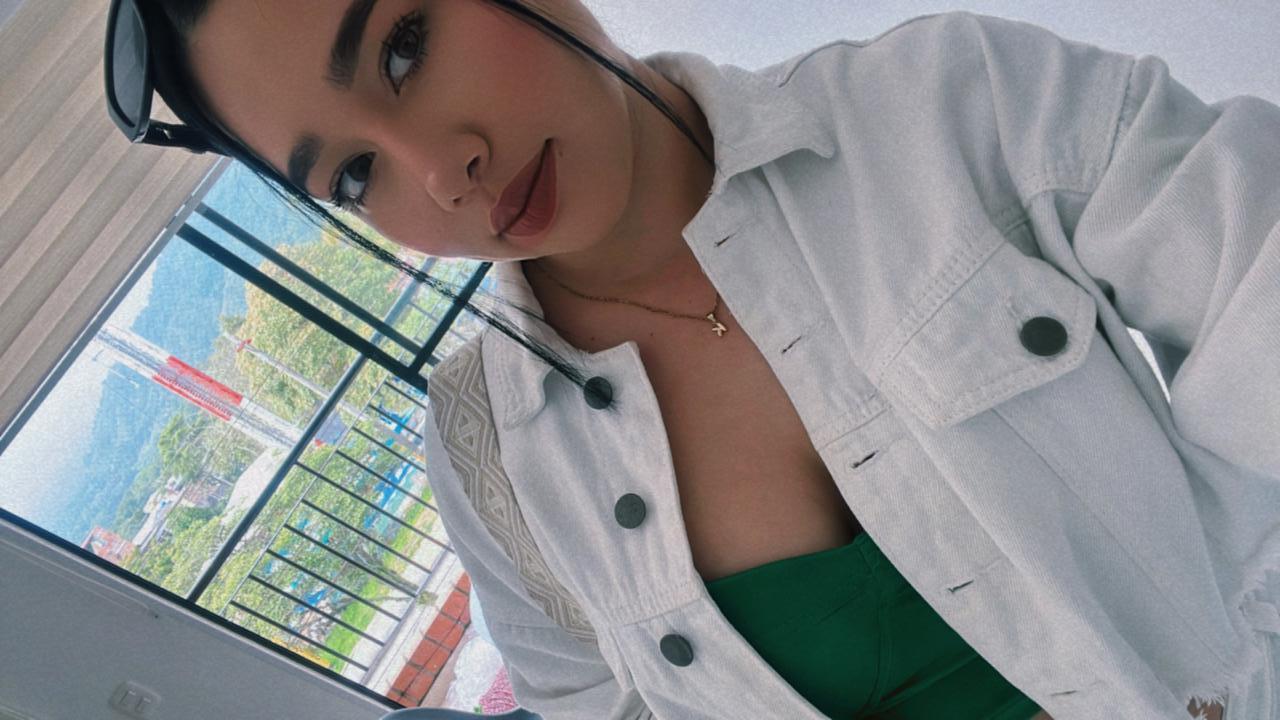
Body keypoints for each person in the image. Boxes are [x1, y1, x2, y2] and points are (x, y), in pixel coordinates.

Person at [102, 1, 1280, 718]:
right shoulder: (492, 457)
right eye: (353, 175)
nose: (437, 170)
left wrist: (1239, 649)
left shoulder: (943, 110)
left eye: (403, 49)